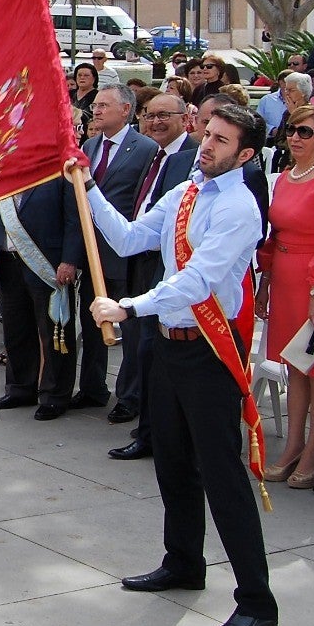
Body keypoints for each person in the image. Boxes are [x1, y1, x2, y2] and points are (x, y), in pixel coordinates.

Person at [79, 104, 280, 626]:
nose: (207, 144)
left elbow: (198, 281)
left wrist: (127, 307)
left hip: (209, 351)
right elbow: (125, 238)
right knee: (171, 461)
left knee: (221, 473)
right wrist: (86, 185)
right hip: (168, 346)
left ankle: (258, 604)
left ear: (245, 154)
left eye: (221, 140)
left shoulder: (239, 206)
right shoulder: (186, 192)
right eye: (207, 133)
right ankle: (184, 561)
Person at [257, 105, 314, 488]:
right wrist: (265, 283)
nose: (295, 137)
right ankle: (293, 445)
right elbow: (274, 235)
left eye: (306, 132)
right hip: (283, 278)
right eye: (292, 130)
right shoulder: (285, 177)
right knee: (294, 368)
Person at [109, 92, 199, 460]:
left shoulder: (192, 159)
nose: (156, 122)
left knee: (151, 351)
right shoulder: (155, 154)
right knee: (140, 350)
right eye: (150, 115)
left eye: (165, 115)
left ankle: (153, 434)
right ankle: (148, 426)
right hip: (139, 256)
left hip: (168, 272)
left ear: (185, 119)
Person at [74, 83, 159, 413]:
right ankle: (92, 387)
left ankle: (129, 396)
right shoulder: (90, 146)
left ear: (126, 110)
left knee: (130, 329)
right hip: (92, 251)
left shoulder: (145, 148)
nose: (96, 110)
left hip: (126, 252)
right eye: (95, 105)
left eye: (104, 105)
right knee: (93, 320)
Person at [0, 178, 85, 418]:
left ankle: (55, 395)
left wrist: (70, 259)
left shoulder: (56, 167)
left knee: (54, 331)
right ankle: (21, 388)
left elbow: (75, 218)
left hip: (48, 263)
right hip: (7, 261)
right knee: (16, 329)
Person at [68, 63, 99, 140]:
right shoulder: (68, 94)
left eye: (86, 75)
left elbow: (84, 116)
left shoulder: (98, 96)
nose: (82, 78)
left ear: (94, 78)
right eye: (79, 75)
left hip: (87, 137)